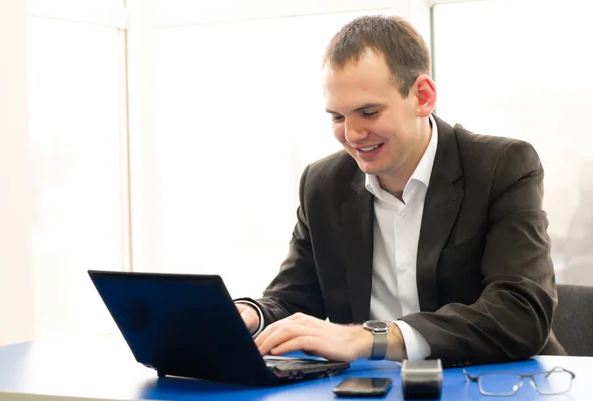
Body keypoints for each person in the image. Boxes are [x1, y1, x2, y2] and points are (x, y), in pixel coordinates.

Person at [235, 14, 566, 367]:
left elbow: (520, 313)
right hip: (373, 386)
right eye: (337, 117)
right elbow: (294, 296)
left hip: (494, 384)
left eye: (368, 112)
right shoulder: (322, 184)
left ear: (422, 97)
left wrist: (372, 338)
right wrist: (249, 314)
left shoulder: (502, 166)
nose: (352, 134)